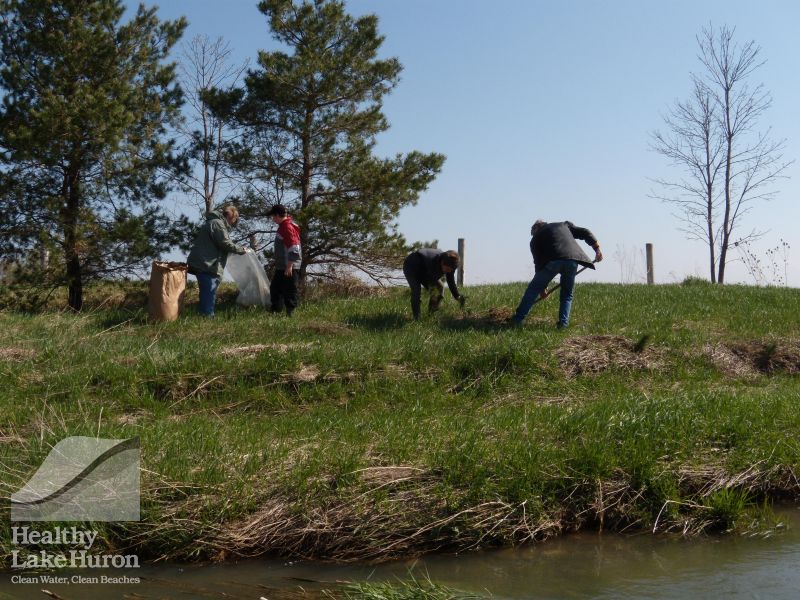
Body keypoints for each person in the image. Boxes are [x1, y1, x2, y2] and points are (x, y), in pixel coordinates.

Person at [511, 220, 603, 328]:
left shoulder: (535, 240)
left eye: (533, 231)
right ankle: (563, 325)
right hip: (572, 260)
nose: (533, 234)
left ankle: (517, 320)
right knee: (567, 295)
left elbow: (539, 264)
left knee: (533, 289)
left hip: (553, 262)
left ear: (536, 226)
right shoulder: (563, 225)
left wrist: (542, 289)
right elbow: (585, 232)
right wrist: (597, 249)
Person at [187, 205, 248, 317]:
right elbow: (224, 243)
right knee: (209, 292)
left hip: (204, 263)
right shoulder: (218, 224)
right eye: (234, 219)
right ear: (230, 216)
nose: (233, 223)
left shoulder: (213, 222)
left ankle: (205, 316)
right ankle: (207, 318)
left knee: (207, 293)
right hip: (206, 265)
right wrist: (241, 250)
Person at [403, 248, 465, 320]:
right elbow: (430, 282)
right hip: (411, 266)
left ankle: (431, 315)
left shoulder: (451, 265)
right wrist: (434, 294)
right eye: (447, 269)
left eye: (450, 270)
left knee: (440, 288)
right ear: (442, 263)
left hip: (425, 270)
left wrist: (457, 296)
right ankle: (417, 318)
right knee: (416, 290)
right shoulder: (433, 262)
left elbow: (451, 281)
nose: (448, 272)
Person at [267, 204, 302, 316]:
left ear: (277, 215)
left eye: (273, 216)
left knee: (289, 290)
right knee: (275, 289)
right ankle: (275, 311)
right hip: (282, 265)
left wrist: (290, 265)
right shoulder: (283, 226)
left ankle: (290, 313)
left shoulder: (287, 227)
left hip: (289, 266)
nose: (272, 219)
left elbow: (294, 247)